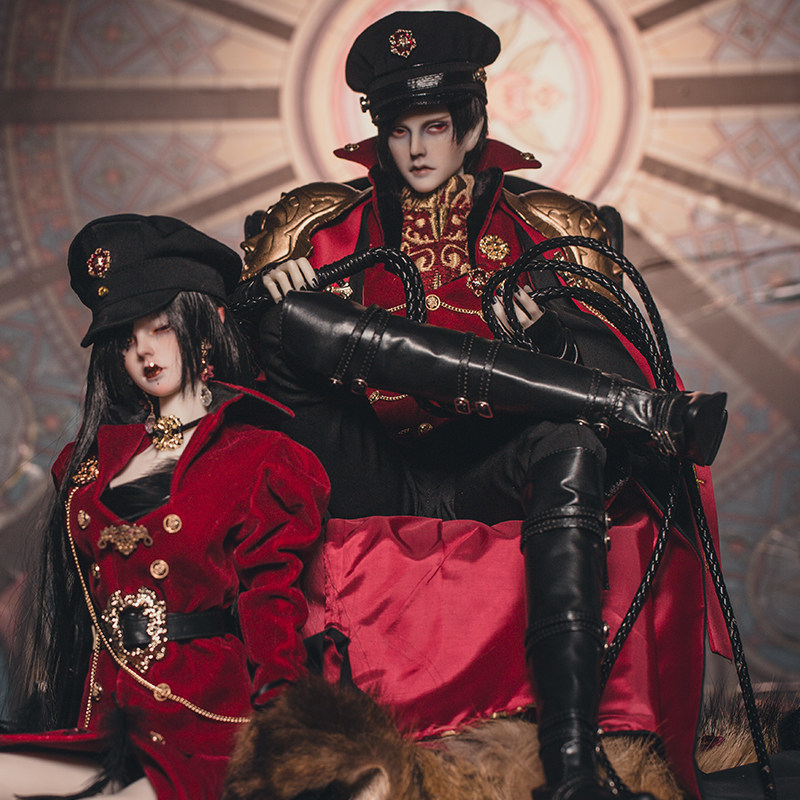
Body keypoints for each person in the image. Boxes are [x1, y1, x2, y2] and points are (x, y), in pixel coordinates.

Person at [232, 12, 729, 800]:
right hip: (368, 472)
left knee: (573, 437)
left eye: (435, 127)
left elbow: (618, 351)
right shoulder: (321, 227)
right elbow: (244, 373)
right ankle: (636, 408)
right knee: (286, 318)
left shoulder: (545, 227)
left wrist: (554, 341)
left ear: (470, 128)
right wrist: (270, 294)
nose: (417, 149)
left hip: (488, 475)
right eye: (399, 131)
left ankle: (572, 767)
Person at [0, 215, 329, 799]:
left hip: (202, 718)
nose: (144, 352)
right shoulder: (90, 462)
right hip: (106, 717)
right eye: (127, 341)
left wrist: (284, 728)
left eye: (160, 328)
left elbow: (269, 602)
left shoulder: (261, 458)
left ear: (208, 323)